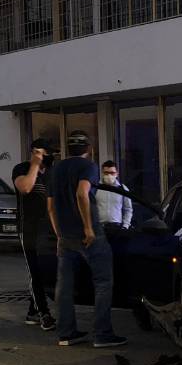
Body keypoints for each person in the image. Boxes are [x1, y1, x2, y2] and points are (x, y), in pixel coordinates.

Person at [47, 131, 127, 348]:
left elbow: (51, 207)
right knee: (103, 283)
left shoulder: (56, 169)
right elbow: (82, 193)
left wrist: (58, 234)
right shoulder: (88, 167)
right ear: (89, 149)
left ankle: (66, 333)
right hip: (90, 236)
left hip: (65, 236)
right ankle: (102, 334)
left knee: (64, 286)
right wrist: (88, 228)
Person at [13, 138, 56, 331]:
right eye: (43, 152)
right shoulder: (22, 169)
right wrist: (35, 165)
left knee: (45, 271)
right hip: (29, 228)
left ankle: (32, 311)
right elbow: (25, 188)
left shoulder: (52, 172)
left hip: (49, 229)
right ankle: (43, 313)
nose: (47, 157)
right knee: (35, 272)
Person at [95, 160, 133, 236]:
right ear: (102, 173)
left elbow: (128, 209)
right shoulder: (95, 188)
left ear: (117, 173)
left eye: (112, 173)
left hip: (117, 228)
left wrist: (125, 226)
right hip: (99, 228)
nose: (109, 175)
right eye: (106, 173)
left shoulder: (122, 189)